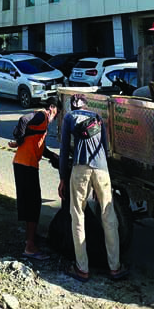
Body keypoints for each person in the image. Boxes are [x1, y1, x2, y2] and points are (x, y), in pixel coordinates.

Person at [59, 97, 127, 282]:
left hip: (80, 168)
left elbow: (64, 149)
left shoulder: (69, 117)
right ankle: (115, 267)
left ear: (72, 106)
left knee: (77, 216)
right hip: (102, 169)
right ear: (85, 105)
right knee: (109, 216)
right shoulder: (97, 117)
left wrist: (62, 178)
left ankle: (82, 268)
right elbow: (105, 148)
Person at [9, 100, 59, 259]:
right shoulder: (42, 115)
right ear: (52, 108)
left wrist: (52, 156)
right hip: (26, 165)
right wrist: (19, 139)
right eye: (56, 113)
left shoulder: (41, 123)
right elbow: (23, 120)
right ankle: (30, 247)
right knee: (33, 205)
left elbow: (39, 144)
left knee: (31, 204)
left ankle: (30, 241)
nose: (55, 118)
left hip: (24, 164)